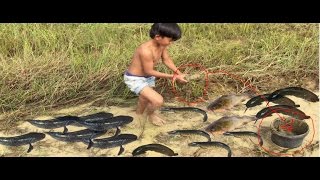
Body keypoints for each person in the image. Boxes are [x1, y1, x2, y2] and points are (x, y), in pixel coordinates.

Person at [124, 23, 188, 126]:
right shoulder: (145, 50)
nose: (170, 43)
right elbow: (149, 71)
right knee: (157, 101)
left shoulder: (162, 45)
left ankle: (138, 114)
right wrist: (173, 77)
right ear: (158, 37)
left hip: (148, 77)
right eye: (170, 40)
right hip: (135, 78)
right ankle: (151, 114)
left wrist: (178, 73)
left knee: (145, 97)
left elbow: (166, 60)